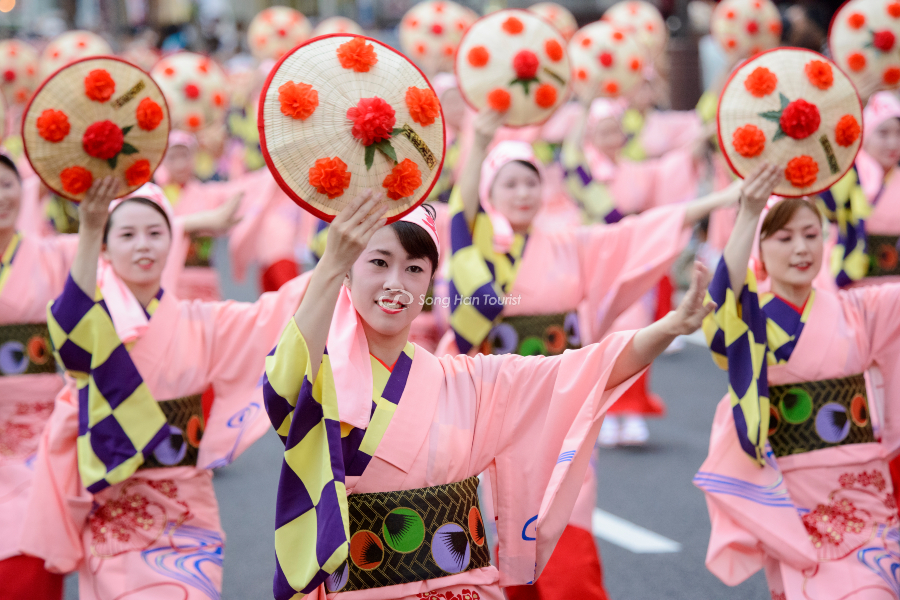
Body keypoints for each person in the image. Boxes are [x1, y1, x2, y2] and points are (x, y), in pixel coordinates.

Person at [263, 189, 715, 600]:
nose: (395, 282)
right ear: (346, 273)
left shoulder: (467, 380)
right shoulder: (322, 379)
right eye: (377, 263)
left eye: (414, 269)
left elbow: (578, 371)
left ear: (429, 288)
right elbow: (283, 389)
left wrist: (668, 327)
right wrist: (327, 266)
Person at [18, 178, 310, 600]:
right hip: (113, 510)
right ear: (105, 247)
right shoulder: (93, 323)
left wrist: (336, 263)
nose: (143, 245)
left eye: (156, 234)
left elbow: (274, 314)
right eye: (127, 234)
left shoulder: (198, 320)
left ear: (174, 242)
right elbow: (72, 329)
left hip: (188, 512)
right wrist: (88, 229)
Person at [695, 163, 900, 599]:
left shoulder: (859, 311)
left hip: (864, 495)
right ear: (760, 248)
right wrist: (747, 213)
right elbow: (719, 320)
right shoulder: (752, 324)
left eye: (811, 235)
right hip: (792, 500)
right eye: (784, 238)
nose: (801, 249)